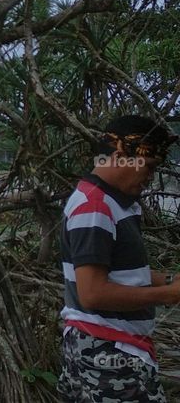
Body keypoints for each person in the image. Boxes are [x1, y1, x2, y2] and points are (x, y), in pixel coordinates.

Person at [58, 115, 179, 402]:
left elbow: (117, 271)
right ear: (120, 157)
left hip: (102, 345)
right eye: (148, 167)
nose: (150, 176)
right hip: (107, 352)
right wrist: (167, 294)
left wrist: (169, 280)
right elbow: (93, 293)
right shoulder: (96, 208)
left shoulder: (113, 202)